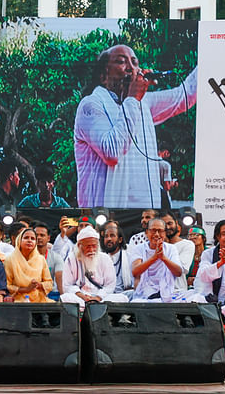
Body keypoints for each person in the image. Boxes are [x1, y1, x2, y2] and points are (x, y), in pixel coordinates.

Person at [74, 44, 198, 208]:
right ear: (104, 75)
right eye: (121, 62)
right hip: (106, 218)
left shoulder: (143, 103)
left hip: (145, 216)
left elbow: (185, 96)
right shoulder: (90, 105)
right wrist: (132, 98)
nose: (130, 68)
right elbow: (111, 152)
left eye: (134, 62)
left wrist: (210, 56)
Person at [131, 218, 203, 302]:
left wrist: (163, 258)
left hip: (167, 293)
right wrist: (154, 258)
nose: (157, 234)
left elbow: (178, 272)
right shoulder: (139, 249)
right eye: (153, 230)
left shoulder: (171, 249)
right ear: (147, 232)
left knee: (196, 296)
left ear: (165, 233)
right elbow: (135, 272)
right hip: (145, 294)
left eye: (160, 231)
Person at [61, 226, 129, 310]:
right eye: (88, 246)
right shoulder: (71, 259)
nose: (92, 249)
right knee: (66, 297)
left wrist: (98, 297)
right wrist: (82, 296)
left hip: (101, 298)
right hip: (80, 298)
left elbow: (110, 285)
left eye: (94, 246)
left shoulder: (105, 259)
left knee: (122, 298)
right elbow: (67, 285)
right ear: (79, 246)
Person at [4, 228, 53, 302]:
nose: (29, 240)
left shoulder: (41, 259)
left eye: (32, 238)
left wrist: (39, 285)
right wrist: (25, 289)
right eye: (26, 238)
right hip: (17, 299)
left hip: (39, 300)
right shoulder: (10, 259)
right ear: (19, 240)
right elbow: (6, 285)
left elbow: (49, 283)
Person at [162, 211, 194, 291]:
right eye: (164, 225)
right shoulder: (154, 245)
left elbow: (181, 269)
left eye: (170, 223)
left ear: (176, 223)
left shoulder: (187, 244)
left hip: (177, 291)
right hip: (157, 291)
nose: (168, 227)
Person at [101, 221, 133, 295]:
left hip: (124, 293)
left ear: (120, 239)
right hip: (105, 294)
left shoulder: (129, 254)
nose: (109, 239)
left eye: (112, 235)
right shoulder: (101, 257)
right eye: (106, 236)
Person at [34, 221, 63, 299]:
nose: (39, 237)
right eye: (36, 235)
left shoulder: (56, 257)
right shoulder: (25, 256)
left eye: (42, 235)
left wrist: (64, 297)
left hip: (50, 293)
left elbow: (59, 277)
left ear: (48, 238)